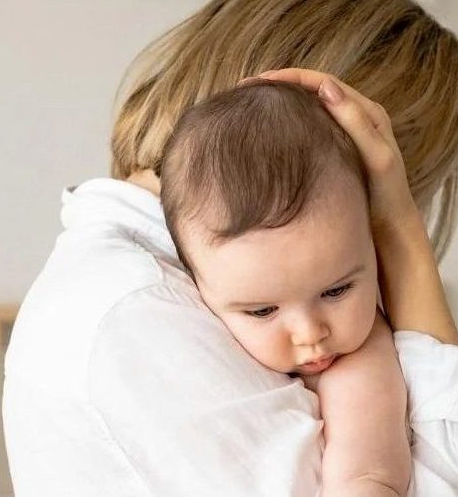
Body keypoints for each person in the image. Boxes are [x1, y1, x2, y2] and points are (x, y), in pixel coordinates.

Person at [3, 0, 458, 496]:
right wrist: (403, 234)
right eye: (403, 184)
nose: (309, 332)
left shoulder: (155, 286)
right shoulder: (139, 313)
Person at [160, 79, 413, 496]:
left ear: (372, 243)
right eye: (262, 311)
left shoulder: (361, 362)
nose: (311, 333)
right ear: (195, 282)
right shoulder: (170, 320)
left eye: (336, 291)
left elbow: (368, 476)